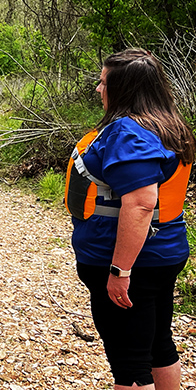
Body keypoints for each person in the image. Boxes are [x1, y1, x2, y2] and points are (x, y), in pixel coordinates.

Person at [67, 49, 193, 390]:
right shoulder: (168, 125)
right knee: (157, 347)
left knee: (129, 365)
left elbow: (139, 204)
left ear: (123, 89)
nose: (98, 89)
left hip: (130, 263)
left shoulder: (129, 132)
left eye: (104, 82)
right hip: (162, 255)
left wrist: (120, 271)